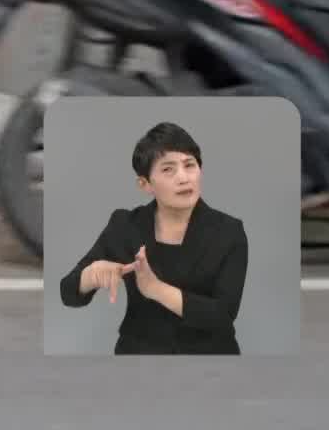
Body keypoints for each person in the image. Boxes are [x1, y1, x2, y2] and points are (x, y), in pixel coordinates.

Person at [58, 121, 248, 354]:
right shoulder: (125, 225)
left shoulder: (228, 231)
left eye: (190, 165)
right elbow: (67, 292)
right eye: (168, 169)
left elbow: (223, 315)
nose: (183, 178)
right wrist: (91, 275)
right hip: (139, 355)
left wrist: (156, 289)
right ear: (145, 184)